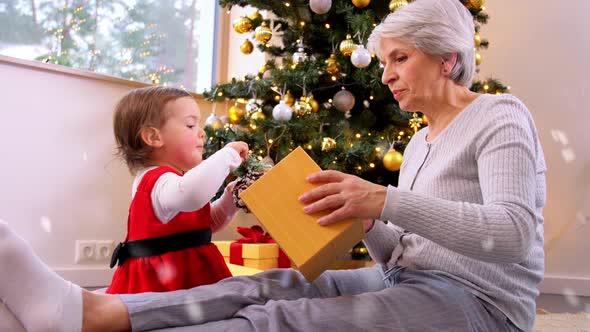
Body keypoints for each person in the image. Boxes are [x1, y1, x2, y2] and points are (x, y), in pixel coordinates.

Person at [0, 0, 545, 330]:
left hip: (481, 306)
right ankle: (90, 315)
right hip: (401, 276)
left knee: (285, 321)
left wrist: (382, 200)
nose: (385, 76)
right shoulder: (424, 141)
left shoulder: (499, 117)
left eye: (399, 58)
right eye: (384, 62)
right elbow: (406, 251)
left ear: (447, 57)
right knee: (266, 287)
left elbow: (514, 235)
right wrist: (369, 222)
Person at [105, 86, 249, 294]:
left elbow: (206, 224)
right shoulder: (156, 181)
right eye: (190, 125)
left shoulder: (177, 182)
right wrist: (227, 155)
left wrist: (230, 199)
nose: (201, 132)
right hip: (162, 285)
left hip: (193, 277)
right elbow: (192, 195)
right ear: (153, 137)